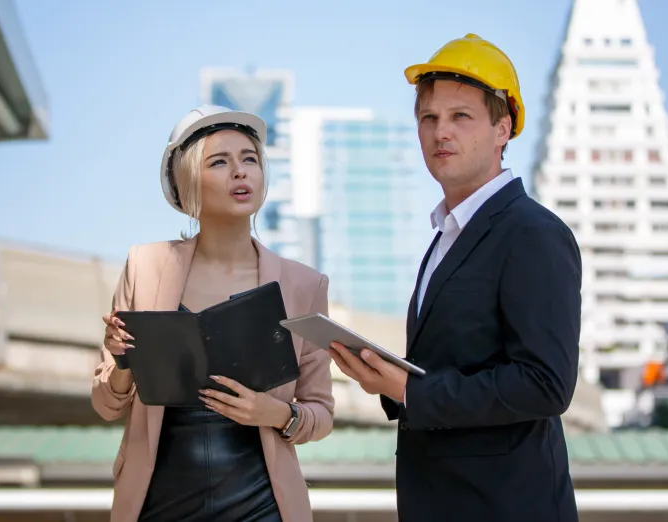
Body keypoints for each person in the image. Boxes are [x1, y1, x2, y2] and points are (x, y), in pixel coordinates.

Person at [327, 34, 582, 522]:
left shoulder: (533, 234)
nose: (440, 132)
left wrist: (411, 391)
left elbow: (546, 384)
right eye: (429, 118)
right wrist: (387, 381)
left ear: (503, 129)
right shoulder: (446, 237)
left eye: (460, 117)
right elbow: (457, 363)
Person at [91, 105, 336, 522]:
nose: (240, 172)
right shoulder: (144, 266)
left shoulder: (304, 285)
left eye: (250, 159)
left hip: (261, 502)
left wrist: (275, 413)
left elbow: (321, 411)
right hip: (158, 500)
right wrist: (121, 363)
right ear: (188, 184)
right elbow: (107, 405)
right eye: (219, 162)